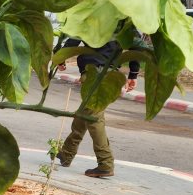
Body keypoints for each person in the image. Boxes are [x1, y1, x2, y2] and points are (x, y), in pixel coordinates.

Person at [56, 37, 139, 179]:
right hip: (112, 73)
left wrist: (60, 58)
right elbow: (136, 44)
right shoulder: (125, 18)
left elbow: (75, 35)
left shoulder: (92, 14)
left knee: (93, 117)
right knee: (84, 113)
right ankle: (67, 153)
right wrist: (133, 73)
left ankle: (105, 163)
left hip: (94, 72)